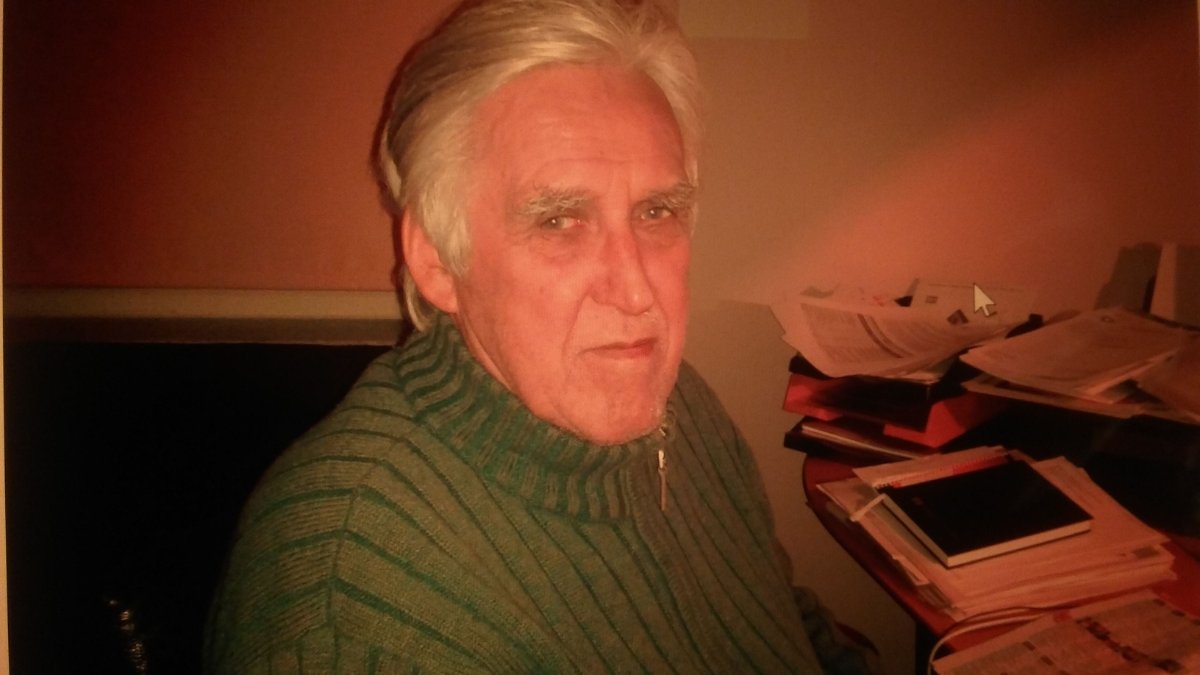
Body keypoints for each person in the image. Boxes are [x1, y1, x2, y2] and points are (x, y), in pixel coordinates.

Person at [205, 0, 872, 672]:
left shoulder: (685, 406)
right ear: (437, 258)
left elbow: (786, 623)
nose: (637, 292)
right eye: (558, 222)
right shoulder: (352, 605)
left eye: (656, 211)